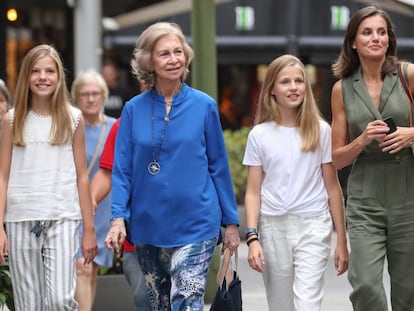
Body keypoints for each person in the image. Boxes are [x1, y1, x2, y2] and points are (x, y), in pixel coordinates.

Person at [104, 22, 240, 311]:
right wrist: (118, 218)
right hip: (147, 225)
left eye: (179, 51)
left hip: (197, 223)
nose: (174, 59)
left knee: (187, 300)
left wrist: (230, 223)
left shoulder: (205, 106)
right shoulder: (131, 109)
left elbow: (218, 166)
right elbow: (122, 170)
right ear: (149, 61)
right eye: (164, 53)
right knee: (159, 305)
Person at [243, 54, 348, 311]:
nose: (293, 87)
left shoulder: (321, 130)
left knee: (307, 303)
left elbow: (333, 188)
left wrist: (342, 240)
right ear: (272, 90)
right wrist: (252, 238)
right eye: (285, 82)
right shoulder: (259, 135)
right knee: (280, 305)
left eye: (299, 81)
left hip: (313, 224)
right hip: (272, 226)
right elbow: (253, 192)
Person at [0, 44, 97, 311]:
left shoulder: (73, 118)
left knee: (59, 300)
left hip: (63, 216)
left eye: (49, 71)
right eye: (35, 71)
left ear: (59, 76)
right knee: (28, 303)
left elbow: (82, 177)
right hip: (21, 218)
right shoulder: (11, 120)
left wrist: (89, 230)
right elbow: (3, 175)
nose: (43, 77)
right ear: (26, 77)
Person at [331, 5, 414, 310]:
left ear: (390, 40)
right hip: (364, 197)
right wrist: (362, 139)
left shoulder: (408, 74)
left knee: (409, 292)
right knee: (365, 285)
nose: (375, 38)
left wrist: (411, 134)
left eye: (381, 32)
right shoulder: (342, 89)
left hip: (408, 193)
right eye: (367, 32)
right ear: (353, 41)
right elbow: (337, 159)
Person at [90, 118, 151, 311]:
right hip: (138, 235)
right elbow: (107, 171)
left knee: (183, 298)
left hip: (182, 232)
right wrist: (88, 202)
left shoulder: (193, 111)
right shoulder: (127, 121)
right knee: (144, 299)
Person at [71, 70, 116, 311]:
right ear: (76, 97)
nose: (90, 99)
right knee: (81, 265)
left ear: (104, 96)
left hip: (103, 207)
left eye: (95, 94)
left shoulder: (114, 127)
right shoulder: (69, 127)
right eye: (85, 94)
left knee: (93, 267)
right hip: (75, 205)